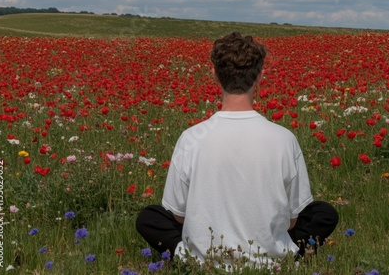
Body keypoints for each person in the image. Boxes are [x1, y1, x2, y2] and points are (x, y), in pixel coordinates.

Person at [136, 32, 338, 269]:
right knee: (324, 213)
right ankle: (278, 258)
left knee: (149, 217)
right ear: (260, 76)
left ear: (214, 76)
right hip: (269, 259)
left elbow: (178, 216)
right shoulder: (284, 139)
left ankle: (195, 259)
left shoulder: (190, 138)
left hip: (206, 258)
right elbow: (293, 220)